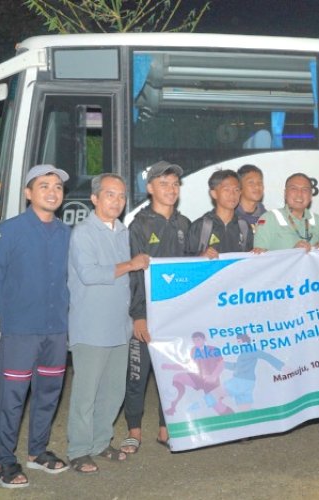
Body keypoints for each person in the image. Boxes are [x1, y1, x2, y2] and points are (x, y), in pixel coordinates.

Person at [0, 165, 72, 488]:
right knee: (12, 396)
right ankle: (5, 461)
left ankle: (37, 451)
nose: (52, 191)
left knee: (49, 394)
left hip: (56, 329)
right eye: (44, 186)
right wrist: (1, 319)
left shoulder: (67, 233)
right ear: (28, 193)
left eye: (57, 187)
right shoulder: (8, 231)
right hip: (20, 330)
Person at [66, 173, 150, 474]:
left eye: (121, 196)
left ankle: (101, 443)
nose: (117, 201)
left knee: (113, 392)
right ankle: (78, 450)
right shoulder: (83, 232)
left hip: (119, 326)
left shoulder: (123, 232)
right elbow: (90, 274)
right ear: (95, 199)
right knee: (85, 394)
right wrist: (131, 264)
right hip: (90, 327)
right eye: (110, 195)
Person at [121, 162, 190, 455]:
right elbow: (134, 274)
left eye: (175, 184)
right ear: (150, 188)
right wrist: (138, 315)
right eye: (164, 184)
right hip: (146, 314)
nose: (171, 189)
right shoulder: (138, 224)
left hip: (177, 315)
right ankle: (133, 431)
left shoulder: (185, 224)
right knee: (138, 375)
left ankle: (166, 429)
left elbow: (191, 267)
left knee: (172, 373)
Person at [188, 169, 254, 257]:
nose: (232, 195)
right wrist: (200, 256)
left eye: (236, 190)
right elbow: (184, 261)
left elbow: (250, 262)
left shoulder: (244, 227)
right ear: (214, 193)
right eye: (227, 190)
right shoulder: (201, 226)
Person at [254, 173, 319, 251]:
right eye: (294, 189)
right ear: (285, 193)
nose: (299, 194)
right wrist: (292, 253)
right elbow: (260, 258)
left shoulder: (317, 220)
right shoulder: (269, 218)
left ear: (311, 196)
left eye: (305, 190)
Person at [235, 164, 266, 232]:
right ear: (240, 187)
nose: (257, 187)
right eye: (251, 182)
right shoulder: (230, 216)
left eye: (260, 182)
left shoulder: (267, 217)